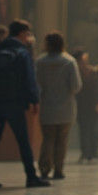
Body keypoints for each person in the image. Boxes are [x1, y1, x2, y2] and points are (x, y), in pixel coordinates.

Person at [0, 19, 49, 189]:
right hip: (15, 102)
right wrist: (35, 100)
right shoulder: (22, 52)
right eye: (28, 34)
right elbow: (29, 79)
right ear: (22, 33)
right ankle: (31, 177)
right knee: (23, 140)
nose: (29, 37)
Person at [35, 32, 82, 180]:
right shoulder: (69, 62)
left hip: (47, 107)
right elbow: (76, 86)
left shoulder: (40, 62)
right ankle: (58, 169)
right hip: (65, 109)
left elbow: (36, 85)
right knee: (61, 141)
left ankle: (44, 168)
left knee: (48, 139)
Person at [74, 48, 98, 163]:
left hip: (91, 105)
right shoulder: (75, 71)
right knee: (83, 130)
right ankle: (85, 153)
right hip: (81, 104)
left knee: (91, 130)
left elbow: (96, 90)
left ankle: (90, 154)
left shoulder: (91, 71)